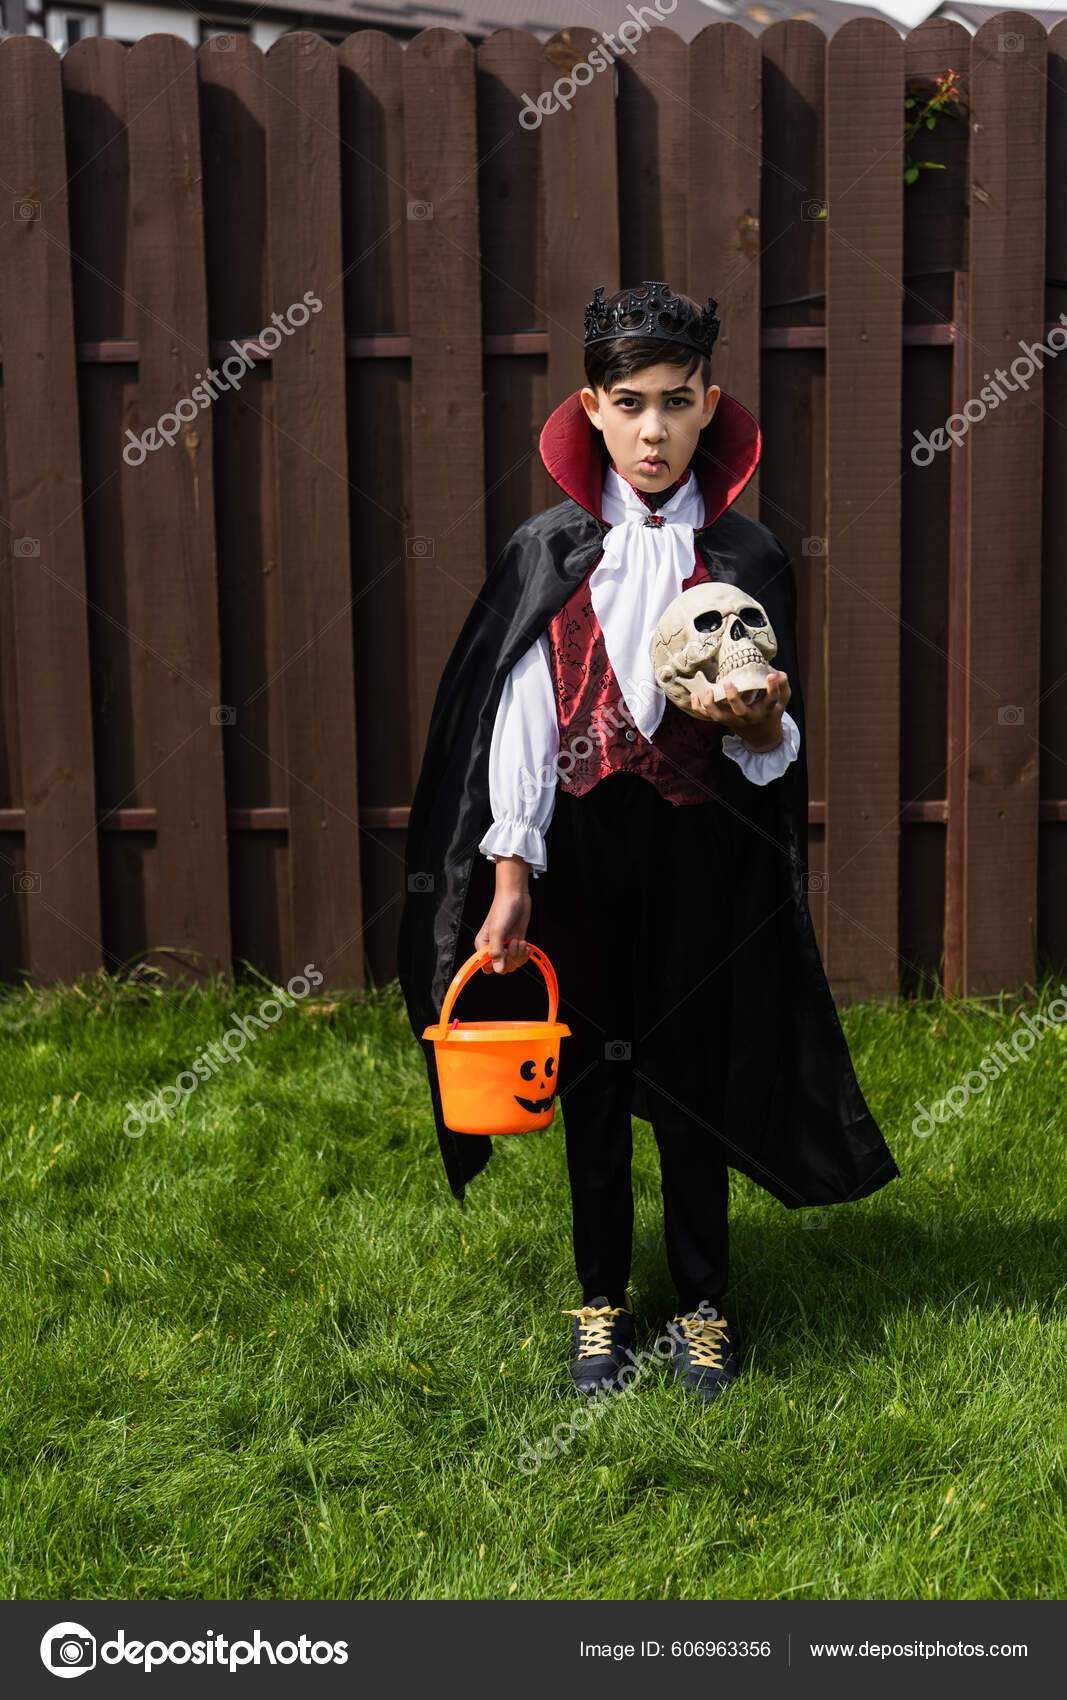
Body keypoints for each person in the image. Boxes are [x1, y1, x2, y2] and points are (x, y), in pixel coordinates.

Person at [397, 281, 899, 1406]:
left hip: (699, 857)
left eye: (677, 403)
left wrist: (761, 720)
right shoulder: (549, 550)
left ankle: (702, 1304)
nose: (654, 431)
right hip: (580, 856)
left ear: (708, 403)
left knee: (691, 1080)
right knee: (590, 1075)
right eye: (629, 405)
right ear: (591, 409)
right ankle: (598, 1303)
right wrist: (511, 871)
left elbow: (772, 742)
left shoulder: (746, 556)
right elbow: (515, 724)